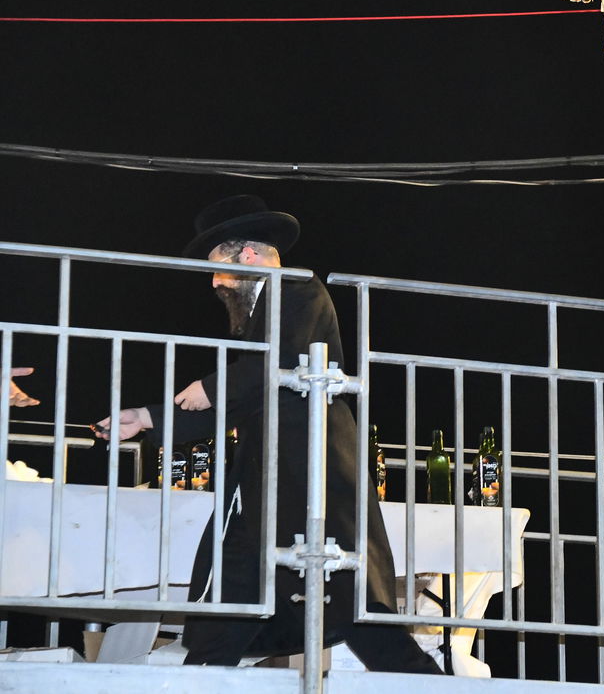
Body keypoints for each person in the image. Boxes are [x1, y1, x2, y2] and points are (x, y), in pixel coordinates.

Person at [97, 195, 440, 673]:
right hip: (267, 483)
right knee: (232, 597)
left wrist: (213, 387)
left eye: (219, 266)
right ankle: (204, 674)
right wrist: (146, 417)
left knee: (359, 611)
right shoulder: (260, 312)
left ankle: (430, 685)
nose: (215, 281)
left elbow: (282, 362)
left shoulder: (300, 289)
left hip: (312, 473)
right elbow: (244, 395)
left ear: (250, 254)